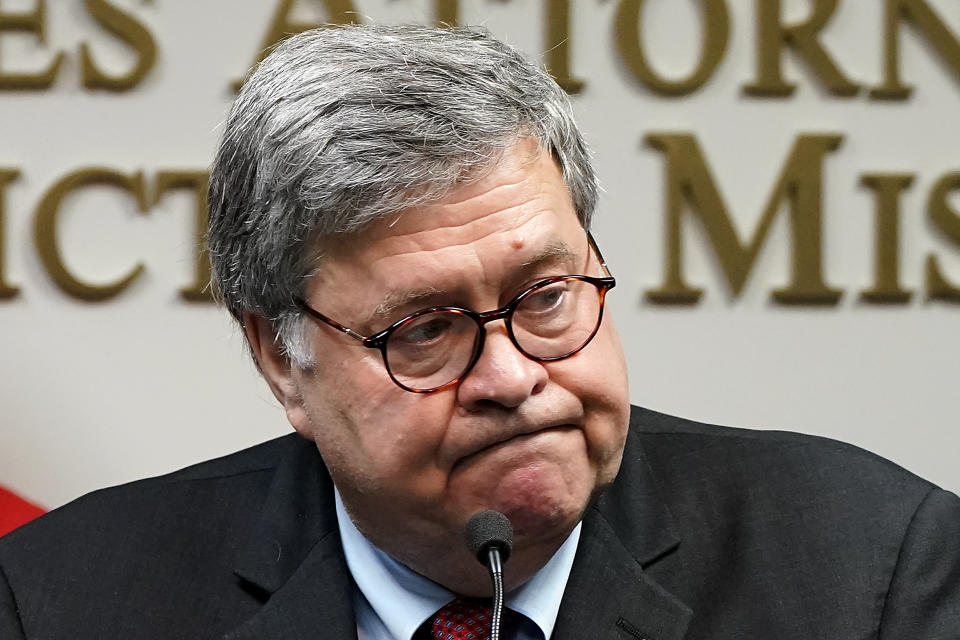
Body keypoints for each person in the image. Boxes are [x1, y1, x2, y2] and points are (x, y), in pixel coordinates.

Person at [1, 23, 958, 640]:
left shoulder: (871, 571)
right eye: (423, 329)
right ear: (279, 360)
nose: (510, 377)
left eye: (546, 295)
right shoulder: (58, 604)